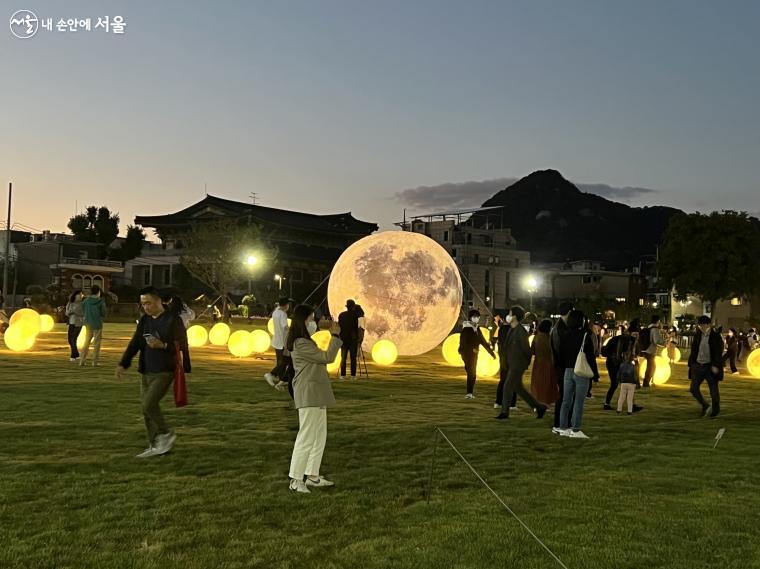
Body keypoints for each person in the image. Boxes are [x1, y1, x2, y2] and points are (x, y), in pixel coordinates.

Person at [116, 287, 191, 458]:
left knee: (148, 404)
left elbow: (182, 345)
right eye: (143, 304)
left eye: (149, 303)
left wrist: (164, 345)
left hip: (165, 369)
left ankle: (166, 433)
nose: (146, 307)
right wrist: (123, 363)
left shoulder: (173, 320)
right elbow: (135, 342)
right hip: (146, 369)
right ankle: (156, 446)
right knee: (146, 410)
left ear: (159, 301)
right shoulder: (145, 320)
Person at [287, 304, 342, 493]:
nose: (314, 323)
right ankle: (295, 479)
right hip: (309, 393)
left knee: (319, 435)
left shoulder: (306, 341)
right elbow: (327, 357)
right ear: (303, 321)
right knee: (307, 436)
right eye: (311, 319)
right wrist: (334, 336)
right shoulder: (300, 343)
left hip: (317, 393)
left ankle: (312, 475)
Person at [496, 306, 548, 420]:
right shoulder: (511, 329)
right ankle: (539, 407)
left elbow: (527, 349)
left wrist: (525, 363)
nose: (508, 316)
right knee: (519, 388)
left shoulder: (521, 331)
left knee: (507, 386)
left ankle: (504, 412)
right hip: (512, 363)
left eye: (510, 313)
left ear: (514, 316)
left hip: (518, 365)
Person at [557, 309, 598, 439]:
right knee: (578, 401)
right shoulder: (585, 335)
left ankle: (563, 427)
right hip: (580, 370)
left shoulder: (564, 335)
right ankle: (575, 429)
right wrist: (595, 374)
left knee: (566, 401)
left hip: (567, 370)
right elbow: (590, 356)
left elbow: (560, 354)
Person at [688, 315, 724, 418]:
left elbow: (718, 351)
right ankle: (705, 405)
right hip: (698, 366)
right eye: (700, 325)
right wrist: (692, 363)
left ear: (708, 325)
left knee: (713, 391)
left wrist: (715, 365)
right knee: (693, 389)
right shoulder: (698, 335)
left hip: (709, 367)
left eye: (703, 325)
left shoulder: (715, 336)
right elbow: (694, 349)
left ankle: (715, 411)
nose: (701, 327)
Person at [459, 309, 496, 399]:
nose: (476, 318)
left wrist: (491, 353)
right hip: (467, 354)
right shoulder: (467, 328)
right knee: (471, 373)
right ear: (470, 317)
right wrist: (470, 351)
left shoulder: (477, 328)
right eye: (474, 316)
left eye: (478, 317)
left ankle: (470, 392)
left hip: (474, 355)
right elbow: (463, 343)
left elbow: (482, 341)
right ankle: (469, 393)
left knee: (473, 373)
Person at [550, 301, 574, 431]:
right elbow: (560, 351)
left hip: (561, 367)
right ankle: (559, 424)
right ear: (569, 311)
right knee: (564, 396)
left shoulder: (560, 326)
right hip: (562, 367)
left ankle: (563, 423)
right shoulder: (560, 329)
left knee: (565, 396)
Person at [529, 319, 558, 407]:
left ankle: (537, 401)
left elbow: (532, 351)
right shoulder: (549, 338)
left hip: (538, 363)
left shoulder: (536, 337)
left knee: (537, 383)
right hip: (548, 363)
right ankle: (546, 402)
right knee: (547, 383)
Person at [264, 297, 292, 387]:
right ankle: (271, 375)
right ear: (285, 305)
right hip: (282, 341)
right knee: (284, 361)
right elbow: (285, 327)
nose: (289, 306)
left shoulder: (275, 312)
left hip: (276, 340)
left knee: (281, 361)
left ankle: (281, 378)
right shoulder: (283, 314)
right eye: (288, 304)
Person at [79, 285, 107, 367]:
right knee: (97, 344)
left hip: (88, 323)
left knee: (86, 342)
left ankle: (82, 361)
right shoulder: (100, 302)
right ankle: (94, 362)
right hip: (97, 324)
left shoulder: (86, 301)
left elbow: (82, 309)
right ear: (98, 292)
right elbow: (104, 313)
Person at [616, 336, 639, 415]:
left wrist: (618, 380)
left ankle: (619, 409)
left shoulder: (622, 365)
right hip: (631, 383)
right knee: (630, 397)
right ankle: (629, 411)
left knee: (621, 396)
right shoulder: (633, 366)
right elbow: (635, 375)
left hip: (623, 382)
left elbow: (619, 373)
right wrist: (637, 383)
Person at [338, 299, 361, 380]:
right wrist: (358, 307)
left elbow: (339, 326)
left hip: (343, 338)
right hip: (352, 338)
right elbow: (362, 314)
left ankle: (342, 375)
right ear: (353, 307)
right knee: (353, 358)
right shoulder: (355, 315)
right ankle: (353, 375)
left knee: (343, 358)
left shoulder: (341, 315)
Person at [639, 315, 663, 388]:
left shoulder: (648, 328)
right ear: (658, 321)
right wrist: (664, 342)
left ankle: (646, 382)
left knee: (651, 366)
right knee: (651, 367)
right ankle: (646, 383)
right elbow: (656, 341)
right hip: (650, 351)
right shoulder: (655, 329)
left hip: (644, 349)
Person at [65, 290, 84, 361]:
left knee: (73, 339)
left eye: (81, 294)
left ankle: (73, 356)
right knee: (70, 340)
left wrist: (73, 311)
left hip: (78, 323)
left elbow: (82, 313)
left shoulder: (82, 304)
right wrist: (71, 311)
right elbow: (66, 312)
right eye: (80, 294)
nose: (81, 295)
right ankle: (77, 355)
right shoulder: (70, 303)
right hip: (71, 322)